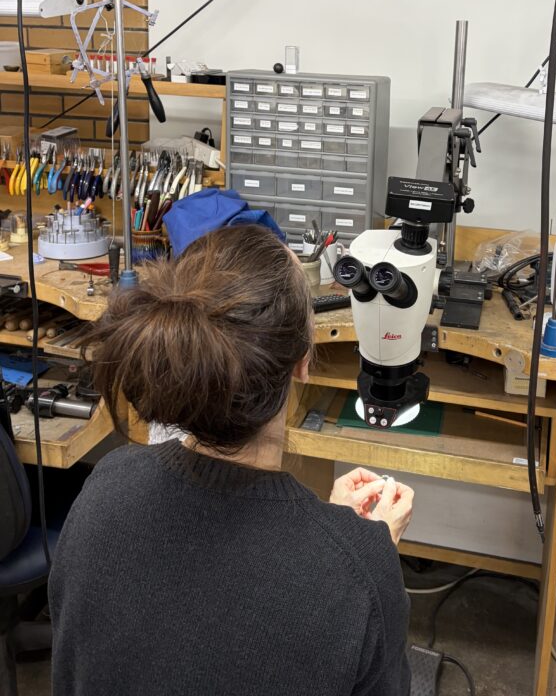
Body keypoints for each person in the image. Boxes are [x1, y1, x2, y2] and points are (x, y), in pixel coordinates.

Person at [49, 225, 414, 696]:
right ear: (304, 361)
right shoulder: (360, 569)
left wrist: (333, 530)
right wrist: (361, 547)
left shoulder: (108, 483)